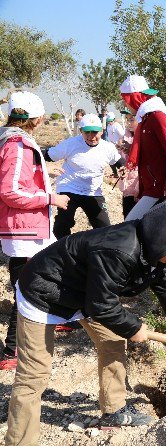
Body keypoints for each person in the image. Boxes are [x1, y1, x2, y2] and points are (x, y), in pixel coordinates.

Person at [4, 199, 166, 445]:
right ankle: (20, 441)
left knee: (112, 340)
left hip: (84, 292)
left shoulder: (155, 254)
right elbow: (102, 305)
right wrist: (133, 327)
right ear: (160, 241)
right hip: (44, 290)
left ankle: (114, 411)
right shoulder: (119, 251)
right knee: (34, 374)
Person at [0, 92, 70, 371]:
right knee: (24, 290)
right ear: (36, 119)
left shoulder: (9, 138)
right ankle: (11, 350)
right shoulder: (17, 145)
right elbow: (10, 191)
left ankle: (54, 315)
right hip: (24, 229)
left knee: (49, 272)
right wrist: (50, 199)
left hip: (27, 228)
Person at [44, 113, 123, 239]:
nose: (91, 136)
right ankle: (61, 251)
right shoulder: (70, 144)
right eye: (87, 132)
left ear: (102, 131)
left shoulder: (108, 148)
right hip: (69, 188)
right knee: (63, 223)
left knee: (104, 227)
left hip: (93, 191)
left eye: (94, 132)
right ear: (81, 131)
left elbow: (119, 163)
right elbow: (48, 155)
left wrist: (123, 171)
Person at [120, 75, 166, 220]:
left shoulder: (157, 116)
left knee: (133, 224)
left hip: (161, 189)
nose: (126, 106)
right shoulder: (147, 117)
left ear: (134, 98)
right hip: (153, 187)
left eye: (126, 101)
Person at [117, 109, 140, 218]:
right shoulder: (125, 138)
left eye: (132, 119)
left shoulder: (144, 140)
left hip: (139, 189)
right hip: (127, 189)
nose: (128, 123)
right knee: (128, 219)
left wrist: (139, 188)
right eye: (127, 120)